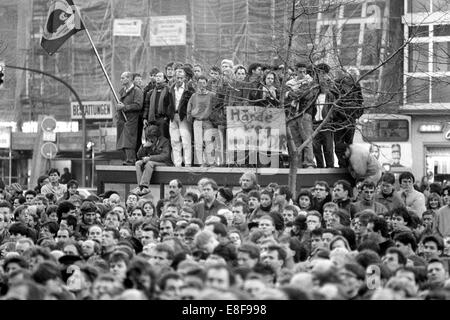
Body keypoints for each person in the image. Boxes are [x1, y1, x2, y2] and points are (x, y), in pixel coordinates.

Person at [167, 68, 194, 167]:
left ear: (185, 78)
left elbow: (192, 104)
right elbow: (167, 102)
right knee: (174, 141)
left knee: (186, 140)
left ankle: (187, 163)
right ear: (174, 78)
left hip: (183, 116)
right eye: (177, 78)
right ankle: (177, 163)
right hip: (173, 116)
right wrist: (169, 113)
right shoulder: (170, 89)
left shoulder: (189, 90)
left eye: (181, 78)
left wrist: (188, 114)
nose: (179, 80)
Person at [135, 124, 172, 196]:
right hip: (151, 163)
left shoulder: (165, 141)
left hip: (164, 163)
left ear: (157, 136)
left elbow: (165, 156)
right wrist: (143, 147)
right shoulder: (148, 142)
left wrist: (150, 158)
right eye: (149, 137)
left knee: (150, 163)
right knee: (138, 163)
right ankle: (140, 187)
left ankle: (144, 186)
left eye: (152, 137)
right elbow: (139, 156)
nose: (151, 139)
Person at [116, 71, 144, 165]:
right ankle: (127, 159)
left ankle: (131, 160)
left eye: (123, 78)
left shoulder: (137, 91)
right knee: (123, 141)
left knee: (129, 141)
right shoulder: (123, 91)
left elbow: (138, 105)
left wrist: (125, 107)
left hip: (132, 119)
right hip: (123, 120)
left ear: (129, 78)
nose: (121, 80)